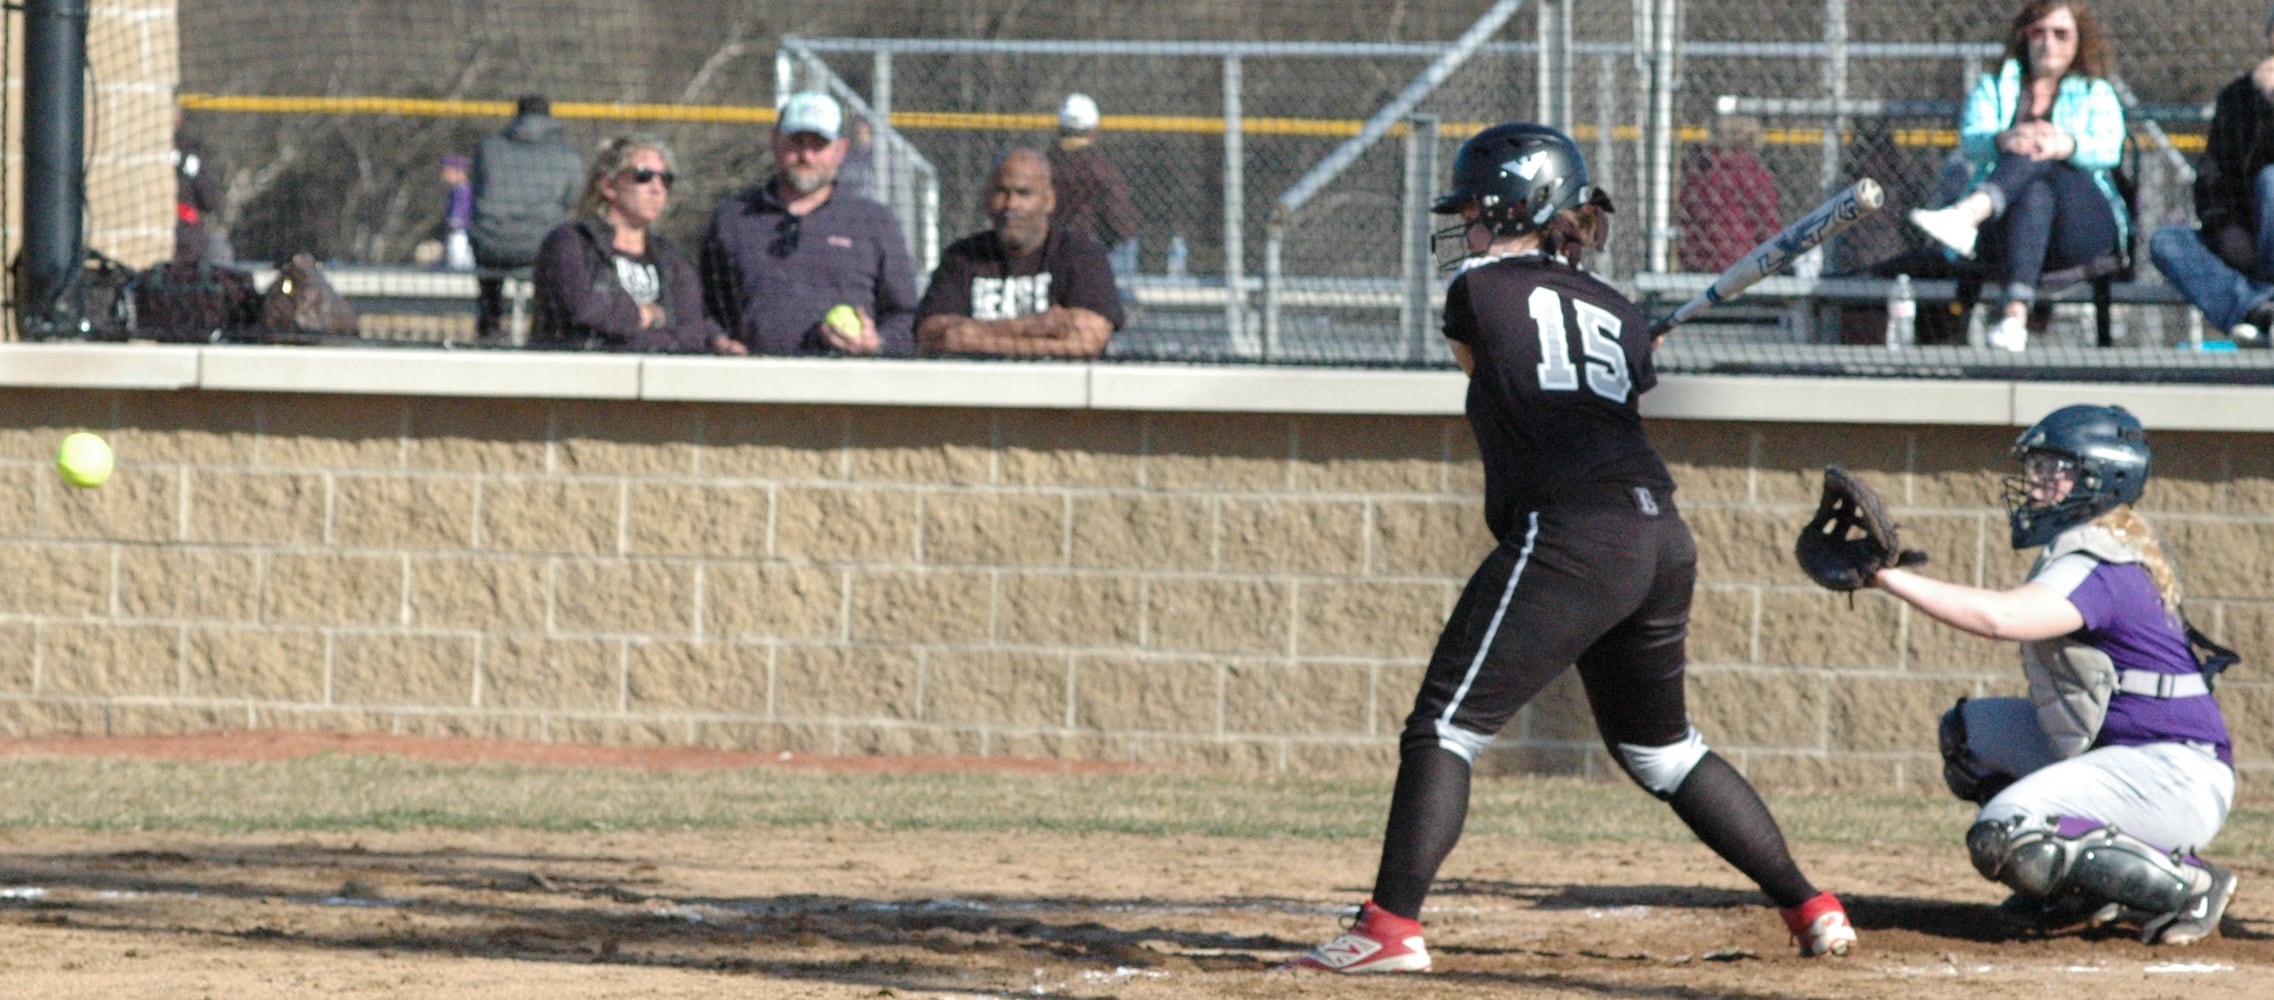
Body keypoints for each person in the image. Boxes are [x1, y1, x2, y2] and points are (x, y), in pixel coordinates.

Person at [1286, 123, 1856, 975]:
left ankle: (1389, 929)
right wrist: (1628, 343)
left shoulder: (1477, 290)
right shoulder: (1620, 312)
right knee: (1662, 751)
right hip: (1659, 534)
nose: (1467, 228)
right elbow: (1586, 367)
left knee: (1445, 724)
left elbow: (1486, 361)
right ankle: (1813, 907)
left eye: (1479, 210)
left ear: (1521, 206)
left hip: (1574, 530)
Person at [1870, 404, 2238, 945]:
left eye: (2053, 468)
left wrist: (1886, 576)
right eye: (2037, 468)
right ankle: (2087, 891)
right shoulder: (2088, 547)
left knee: (2004, 836)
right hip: (2131, 754)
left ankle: (2189, 884)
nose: (2035, 482)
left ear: (2100, 476)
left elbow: (2003, 618)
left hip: (2176, 773)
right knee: (1968, 737)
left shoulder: (2099, 561)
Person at [1906, 0, 2128, 352]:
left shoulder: (2095, 92)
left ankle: (1967, 214)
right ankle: (2014, 317)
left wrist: (2065, 144)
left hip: (2081, 227)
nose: (2048, 43)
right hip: (2010, 226)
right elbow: (1972, 140)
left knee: (2041, 151)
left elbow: (2110, 149)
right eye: (2038, 32)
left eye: (2061, 34)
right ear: (2023, 37)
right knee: (2035, 187)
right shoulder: (1994, 86)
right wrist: (2003, 139)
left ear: (2078, 40)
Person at [700, 91, 920, 356]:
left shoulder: (873, 222)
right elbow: (701, 309)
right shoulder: (733, 218)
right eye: (797, 142)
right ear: (775, 141)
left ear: (841, 150)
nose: (807, 155)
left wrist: (878, 343)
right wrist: (718, 341)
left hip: (847, 387)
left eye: (819, 145)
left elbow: (907, 317)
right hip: (755, 384)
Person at [527, 135, 731, 353]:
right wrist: (646, 315)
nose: (657, 188)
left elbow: (690, 333)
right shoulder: (571, 242)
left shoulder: (671, 257)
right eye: (643, 176)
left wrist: (632, 328)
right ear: (609, 185)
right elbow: (585, 312)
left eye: (665, 179)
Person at [915, 148, 1123, 358]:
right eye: (1001, 192)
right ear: (987, 199)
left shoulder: (1080, 253)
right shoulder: (963, 256)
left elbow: (1088, 341)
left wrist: (972, 336)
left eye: (1024, 193)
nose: (1011, 204)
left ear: (1049, 200)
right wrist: (1034, 325)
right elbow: (931, 335)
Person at [2148, 3, 2274, 347]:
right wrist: (2224, 230)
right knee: (2167, 242)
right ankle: (2259, 311)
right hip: (2244, 244)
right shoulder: (2237, 98)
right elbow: (2210, 179)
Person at [470, 94, 584, 341]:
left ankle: (489, 324)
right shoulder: (567, 155)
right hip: (541, 248)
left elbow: (478, 193)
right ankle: (548, 329)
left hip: (493, 248)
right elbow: (573, 200)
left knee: (484, 241)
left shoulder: (488, 149)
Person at [1046, 93, 1141, 276]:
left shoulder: (1044, 164)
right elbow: (1119, 217)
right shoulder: (1100, 167)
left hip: (1051, 247)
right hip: (1093, 248)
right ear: (1093, 131)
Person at [1677, 114, 1782, 273]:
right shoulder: (1755, 173)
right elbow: (1768, 222)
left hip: (1700, 261)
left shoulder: (1699, 171)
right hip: (1745, 262)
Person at [172, 107, 234, 266]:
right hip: (185, 234)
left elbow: (209, 198)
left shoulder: (189, 150)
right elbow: (210, 199)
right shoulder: (189, 149)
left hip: (184, 230)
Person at [440, 154, 476, 272]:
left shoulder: (463, 191)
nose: (444, 174)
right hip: (462, 237)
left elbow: (456, 220)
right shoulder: (459, 190)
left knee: (459, 273)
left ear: (458, 171)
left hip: (463, 237)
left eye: (447, 170)